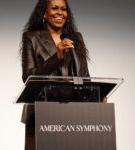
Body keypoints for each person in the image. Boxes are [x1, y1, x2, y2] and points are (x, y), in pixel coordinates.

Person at [20, 0, 90, 149]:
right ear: (44, 13)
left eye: (64, 9)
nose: (60, 12)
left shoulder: (76, 38)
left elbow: (85, 76)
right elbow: (29, 77)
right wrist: (56, 57)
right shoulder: (31, 38)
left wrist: (98, 96)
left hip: (74, 114)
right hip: (41, 115)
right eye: (54, 8)